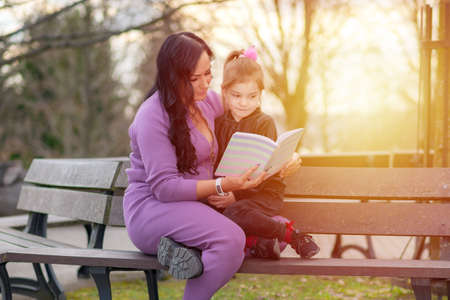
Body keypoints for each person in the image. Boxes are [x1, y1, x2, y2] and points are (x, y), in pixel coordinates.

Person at [123, 32, 268, 300]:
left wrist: (284, 156)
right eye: (195, 78)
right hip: (153, 209)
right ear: (174, 77)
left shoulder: (205, 103)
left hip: (193, 208)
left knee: (267, 229)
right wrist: (222, 184)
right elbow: (164, 188)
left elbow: (244, 102)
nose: (206, 84)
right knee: (230, 239)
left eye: (208, 74)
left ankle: (184, 249)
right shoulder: (151, 117)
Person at [208, 46, 320, 260]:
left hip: (264, 193)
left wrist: (235, 196)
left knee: (234, 212)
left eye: (252, 96)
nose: (244, 102)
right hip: (231, 193)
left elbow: (265, 169)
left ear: (260, 94)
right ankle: (260, 244)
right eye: (237, 95)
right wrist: (223, 192)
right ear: (224, 92)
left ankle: (291, 234)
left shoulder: (263, 122)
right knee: (212, 215)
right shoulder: (218, 123)